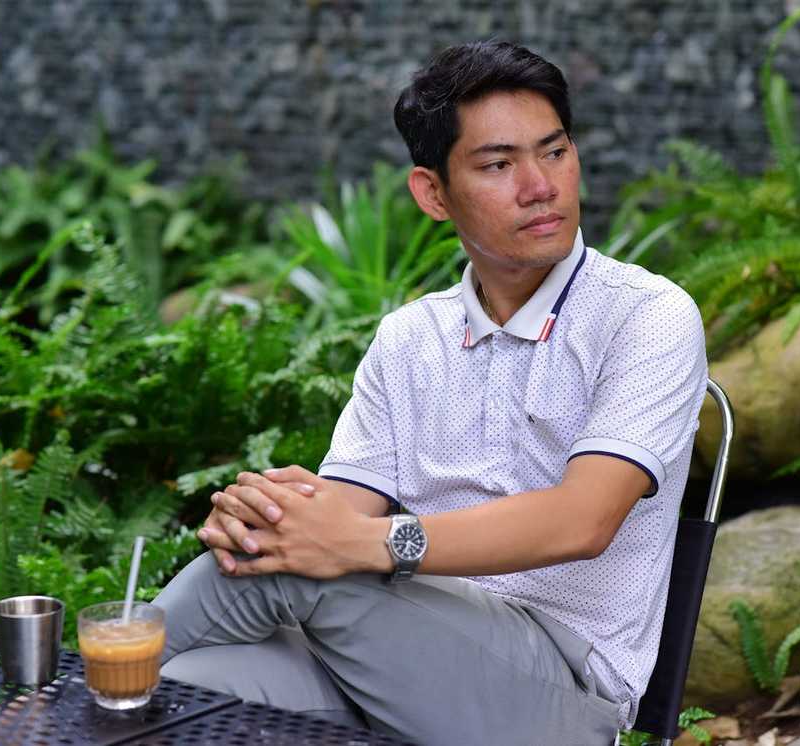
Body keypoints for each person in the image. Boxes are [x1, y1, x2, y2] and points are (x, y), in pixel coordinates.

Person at [153, 39, 707, 746]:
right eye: (499, 164)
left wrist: (355, 542)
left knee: (261, 593)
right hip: (400, 659)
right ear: (433, 194)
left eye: (555, 151)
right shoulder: (410, 338)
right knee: (185, 685)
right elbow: (336, 523)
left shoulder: (645, 315)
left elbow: (582, 521)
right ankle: (82, 694)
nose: (540, 185)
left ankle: (57, 697)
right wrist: (266, 518)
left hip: (558, 692)